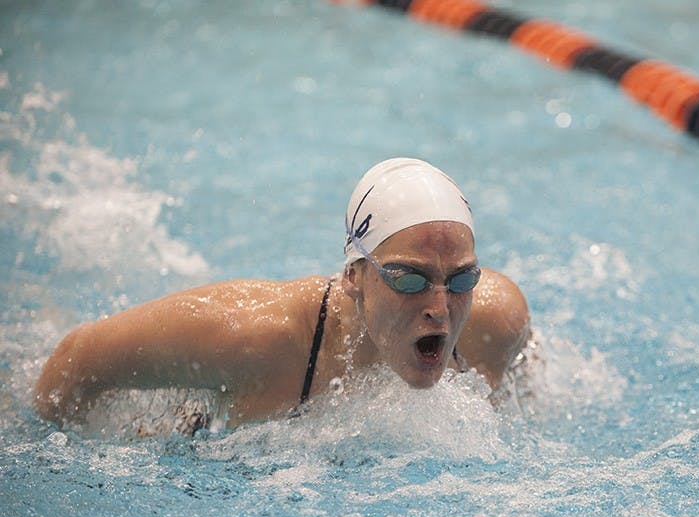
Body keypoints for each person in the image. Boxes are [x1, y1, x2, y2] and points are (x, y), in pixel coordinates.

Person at [33, 158, 531, 432]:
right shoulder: (254, 336)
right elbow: (78, 358)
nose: (440, 308)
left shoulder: (493, 321)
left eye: (461, 279)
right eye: (408, 278)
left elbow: (523, 383)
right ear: (355, 276)